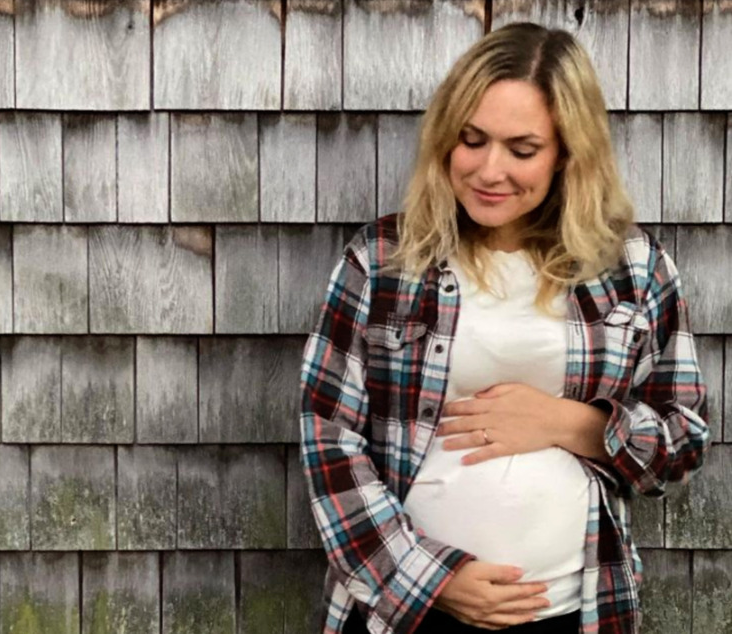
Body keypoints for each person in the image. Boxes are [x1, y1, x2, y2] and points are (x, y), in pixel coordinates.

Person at [299, 21, 709, 634]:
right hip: (405, 610)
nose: (490, 170)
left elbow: (682, 438)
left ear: (568, 153)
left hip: (575, 608)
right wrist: (432, 579)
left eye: (522, 150)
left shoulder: (635, 268)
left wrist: (571, 423)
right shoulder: (383, 260)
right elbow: (328, 436)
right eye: (471, 140)